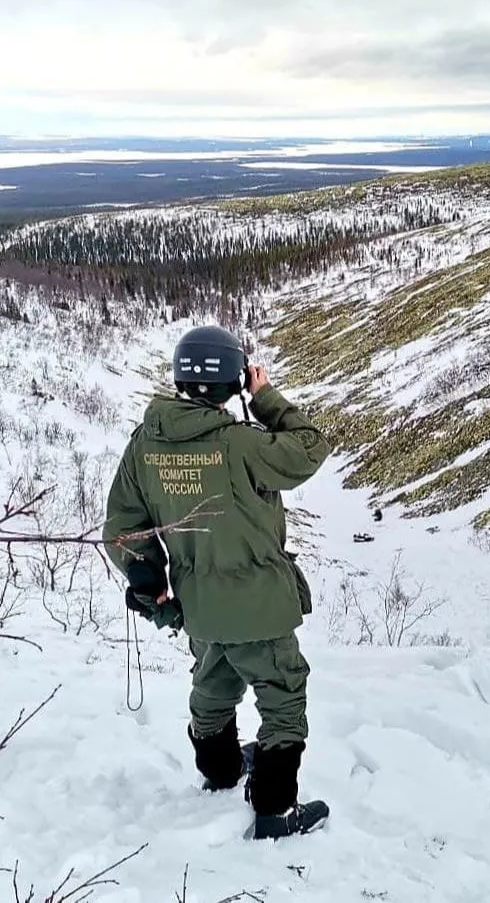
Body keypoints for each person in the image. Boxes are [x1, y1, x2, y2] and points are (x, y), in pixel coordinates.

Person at [102, 325, 332, 840]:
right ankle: (275, 812)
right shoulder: (242, 443)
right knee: (282, 699)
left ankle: (221, 772)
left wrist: (148, 578)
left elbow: (122, 527)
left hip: (199, 604)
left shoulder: (146, 442)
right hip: (260, 606)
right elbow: (310, 448)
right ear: (233, 378)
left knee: (212, 687)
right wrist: (265, 395)